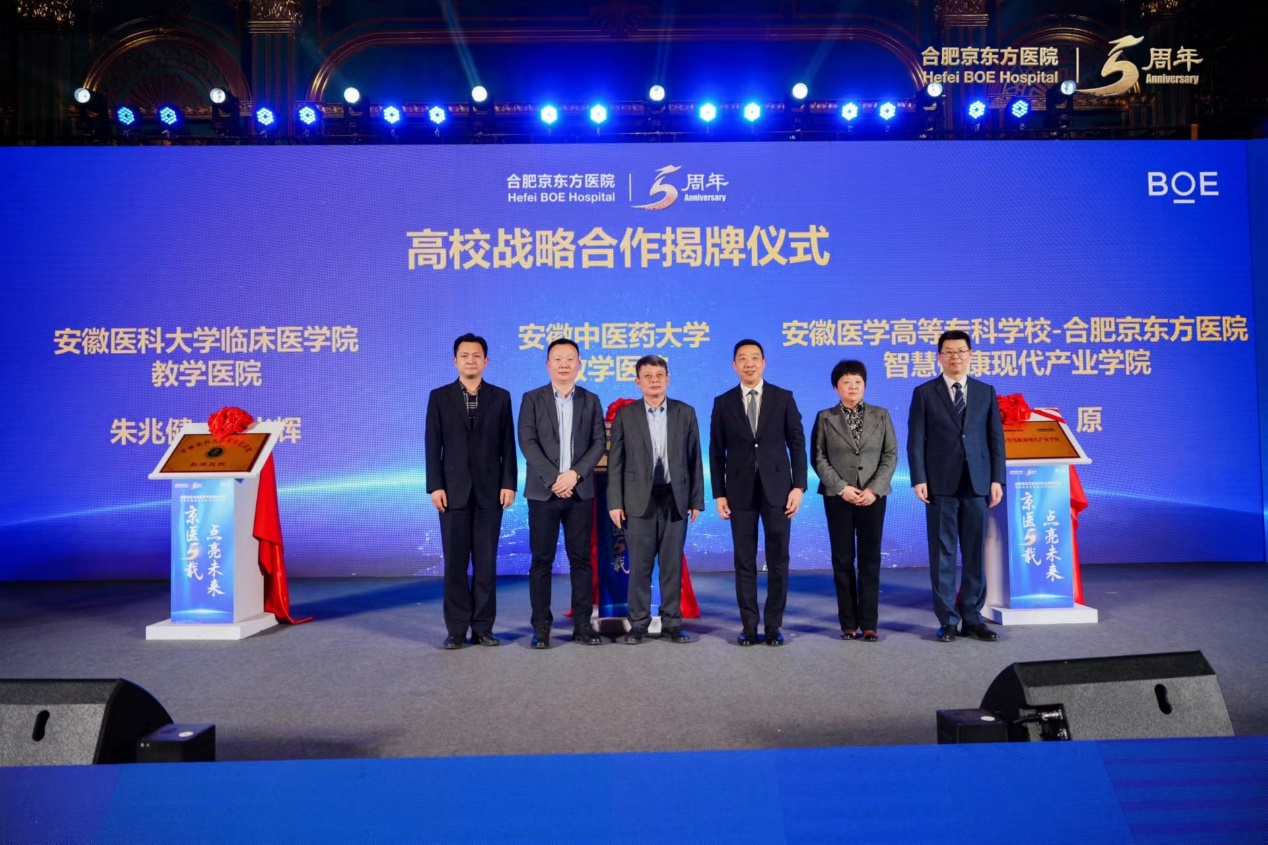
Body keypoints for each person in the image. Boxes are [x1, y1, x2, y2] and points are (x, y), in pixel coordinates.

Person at [907, 330, 1006, 643]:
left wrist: (997, 478)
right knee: (943, 554)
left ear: (970, 354)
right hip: (940, 485)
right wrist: (919, 478)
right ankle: (948, 619)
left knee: (974, 554)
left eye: (961, 351)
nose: (955, 357)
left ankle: (973, 617)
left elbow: (995, 439)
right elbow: (916, 440)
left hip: (977, 484)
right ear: (939, 357)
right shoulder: (924, 393)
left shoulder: (985, 392)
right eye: (948, 352)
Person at [709, 339, 807, 647]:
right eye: (742, 358)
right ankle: (749, 626)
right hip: (739, 493)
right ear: (734, 365)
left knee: (778, 559)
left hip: (778, 491)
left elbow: (797, 444)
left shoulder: (783, 398)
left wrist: (799, 486)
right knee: (744, 560)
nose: (749, 363)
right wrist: (719, 493)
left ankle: (774, 625)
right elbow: (716, 451)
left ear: (764, 363)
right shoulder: (723, 402)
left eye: (754, 358)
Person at [425, 333, 517, 650]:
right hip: (452, 493)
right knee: (455, 565)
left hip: (491, 492)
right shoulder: (440, 397)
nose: (471, 360)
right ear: (455, 361)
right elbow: (432, 445)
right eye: (464, 356)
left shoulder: (501, 397)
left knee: (486, 564)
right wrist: (435, 486)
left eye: (477, 355)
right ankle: (456, 629)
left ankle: (483, 628)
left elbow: (508, 445)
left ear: (486, 361)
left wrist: (509, 483)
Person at [607, 355, 704, 644]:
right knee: (640, 567)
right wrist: (615, 502)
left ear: (668, 379)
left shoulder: (685, 412)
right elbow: (616, 462)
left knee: (671, 566)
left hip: (675, 498)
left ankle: (672, 623)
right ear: (638, 382)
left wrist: (696, 500)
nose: (654, 380)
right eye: (647, 376)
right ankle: (638, 624)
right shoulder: (626, 415)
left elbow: (694, 459)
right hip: (638, 501)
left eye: (659, 375)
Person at [518, 338, 607, 648]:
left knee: (580, 560)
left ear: (579, 364)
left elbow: (599, 442)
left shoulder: (591, 400)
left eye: (570, 358)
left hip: (579, 492)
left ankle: (583, 625)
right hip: (543, 493)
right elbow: (527, 442)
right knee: (541, 561)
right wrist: (555, 478)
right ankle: (541, 626)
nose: (564, 364)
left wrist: (574, 475)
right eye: (558, 359)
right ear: (548, 365)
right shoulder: (532, 399)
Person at [810, 360, 897, 642]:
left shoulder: (881, 415)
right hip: (839, 498)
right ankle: (848, 623)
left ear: (865, 386)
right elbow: (818, 458)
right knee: (843, 559)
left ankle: (869, 623)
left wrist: (874, 489)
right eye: (846, 382)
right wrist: (841, 488)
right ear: (836, 387)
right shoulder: (825, 417)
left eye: (858, 382)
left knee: (870, 559)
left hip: (873, 497)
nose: (853, 387)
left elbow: (890, 455)